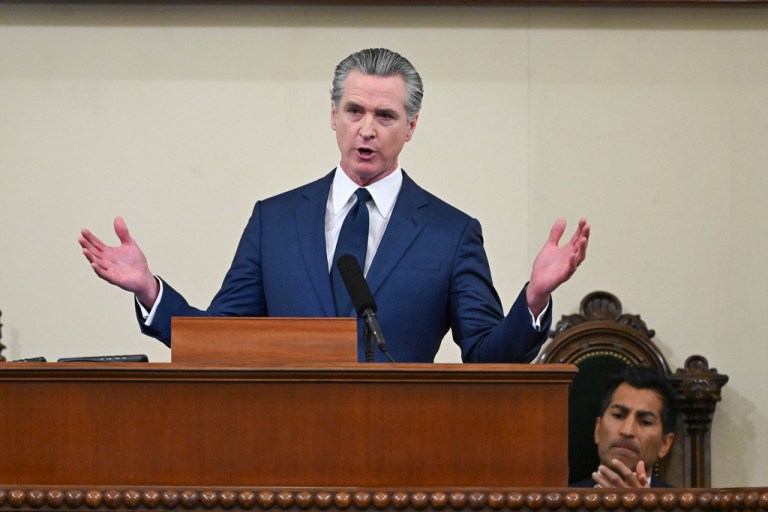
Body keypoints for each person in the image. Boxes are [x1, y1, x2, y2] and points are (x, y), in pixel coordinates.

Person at [79, 47, 590, 363]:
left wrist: (535, 299)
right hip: (285, 453)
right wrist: (150, 290)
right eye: (354, 110)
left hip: (402, 453)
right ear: (333, 115)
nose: (367, 129)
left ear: (412, 127)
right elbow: (218, 340)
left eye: (385, 115)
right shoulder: (274, 220)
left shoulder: (451, 233)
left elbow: (484, 354)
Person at [571, 365, 678, 488]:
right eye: (618, 415)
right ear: (598, 430)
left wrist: (646, 506)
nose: (627, 431)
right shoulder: (559, 502)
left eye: (645, 422)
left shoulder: (682, 505)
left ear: (665, 444)